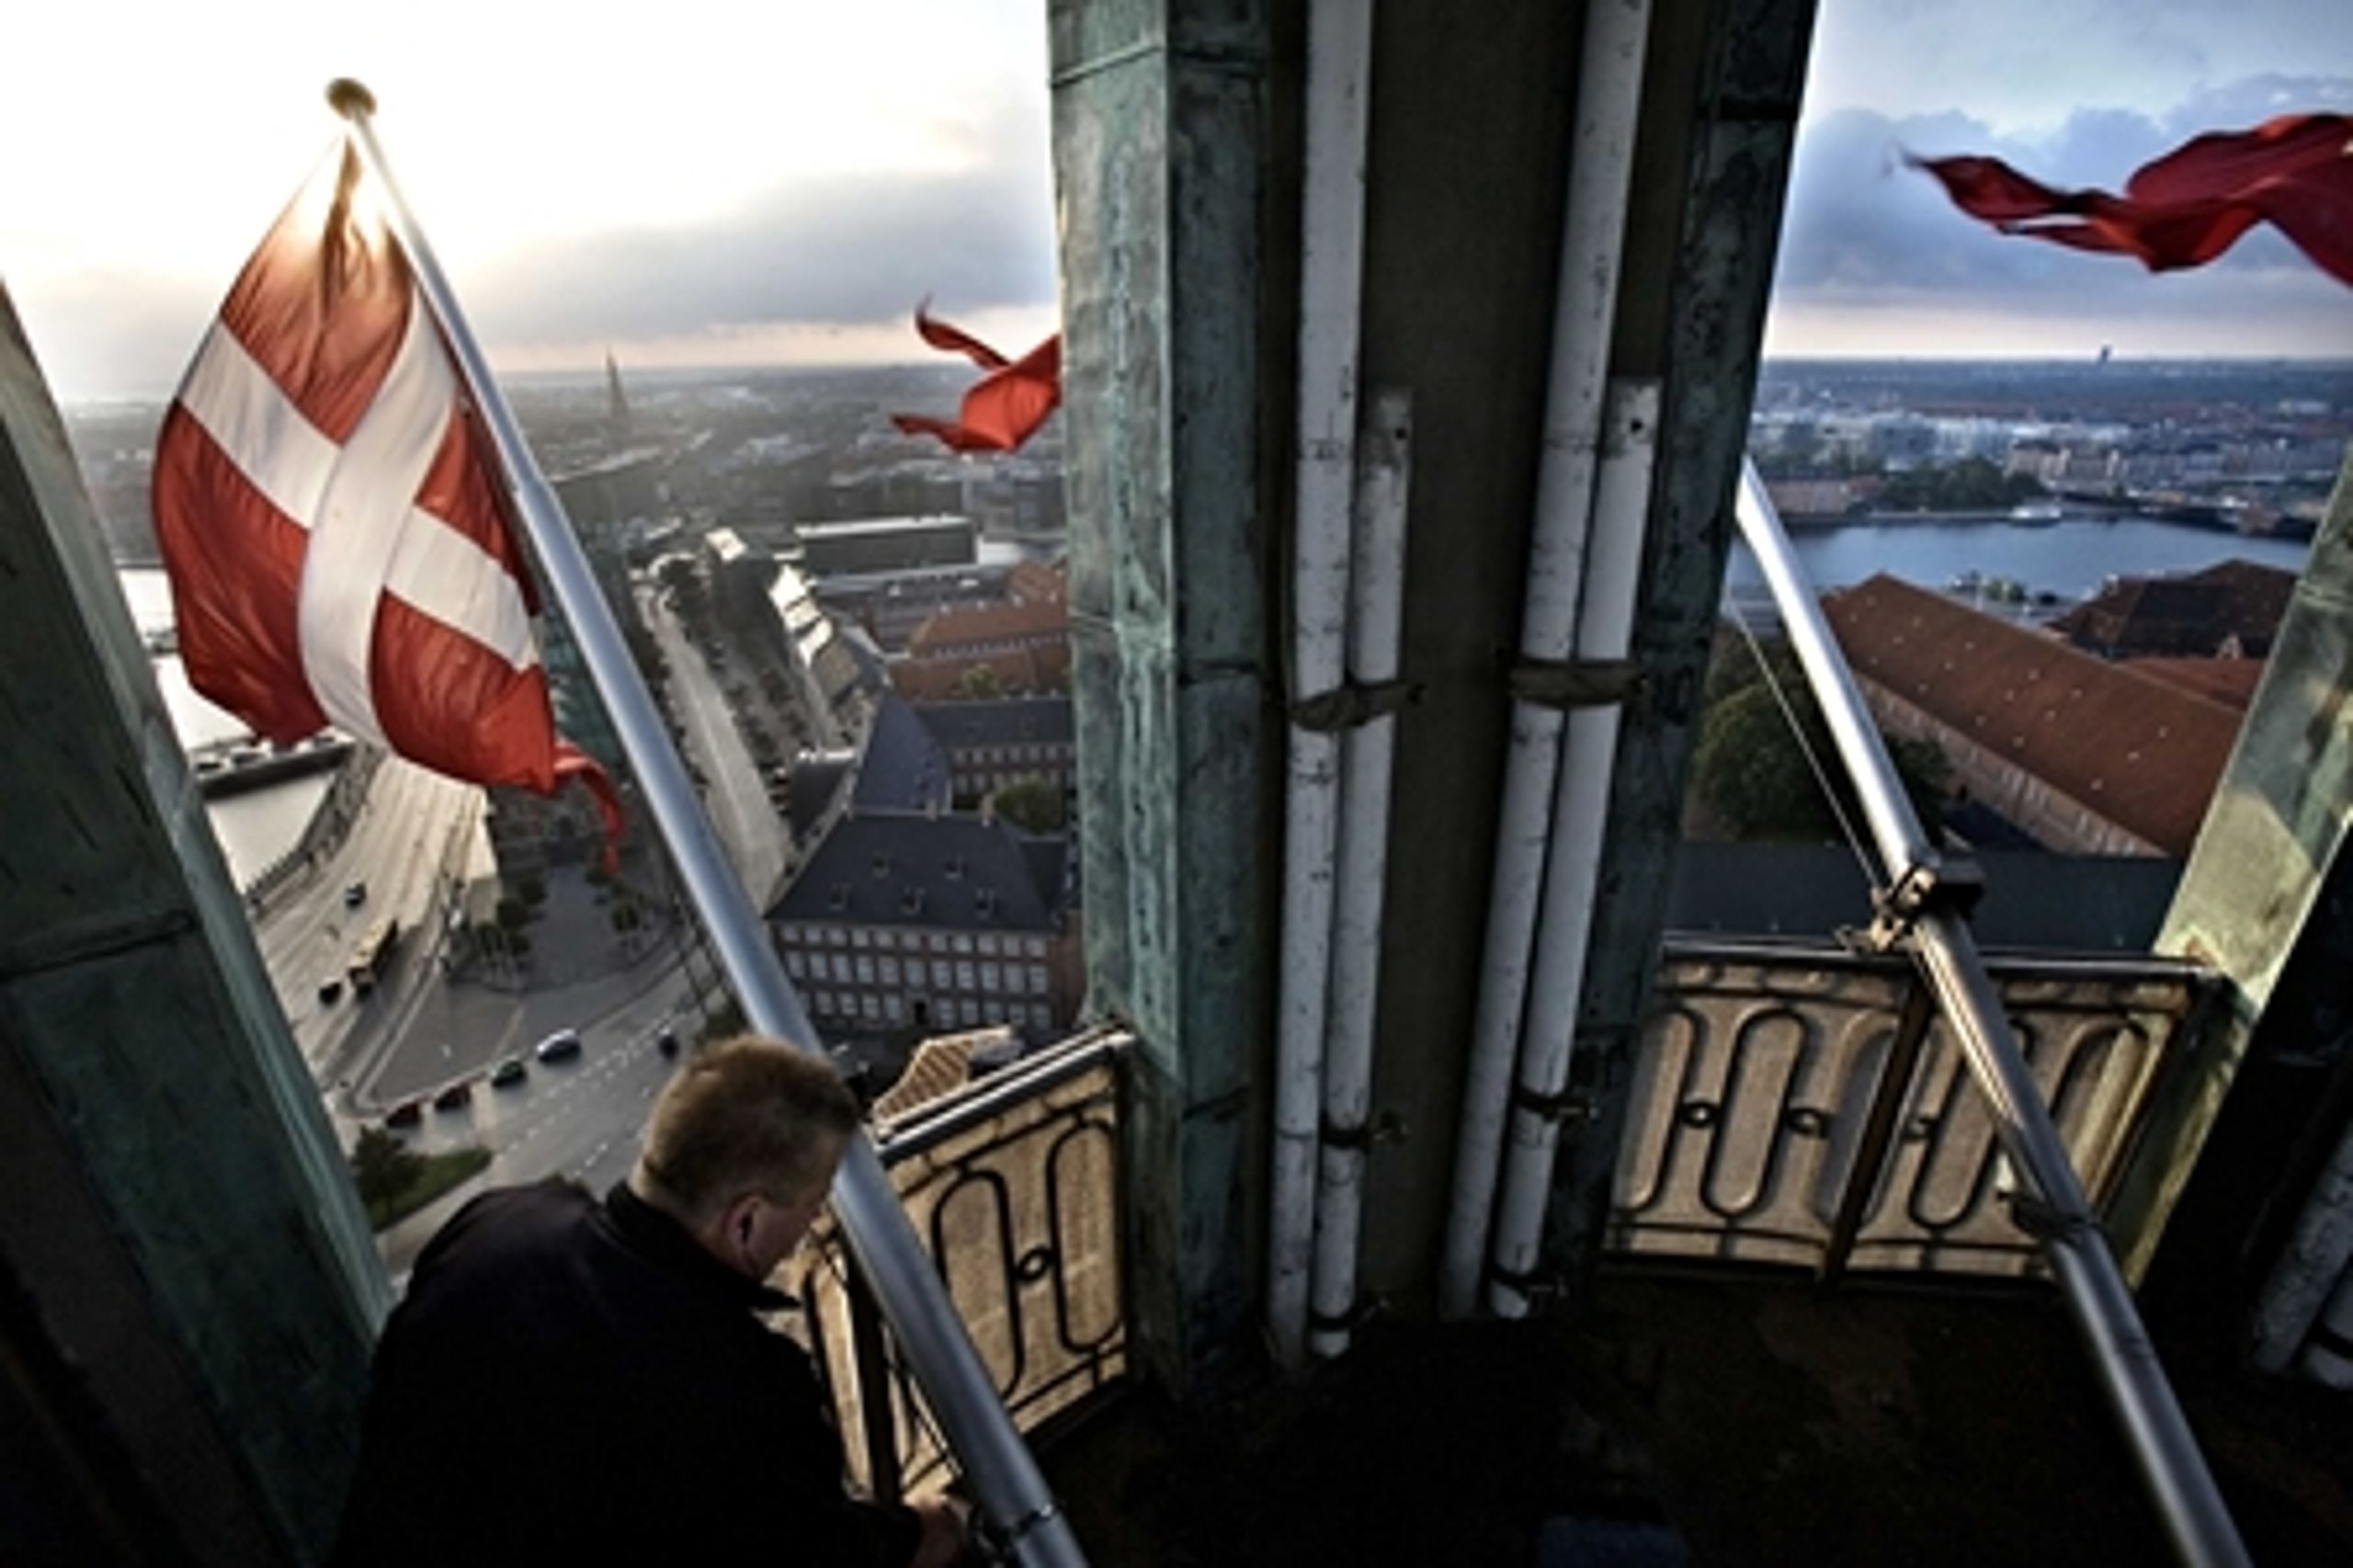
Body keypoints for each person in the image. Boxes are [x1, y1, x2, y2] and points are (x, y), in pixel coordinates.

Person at [333, 1036, 969, 1567]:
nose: (813, 1223)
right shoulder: (748, 1383)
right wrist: (919, 1531)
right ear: (744, 1221)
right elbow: (812, 1551)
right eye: (812, 1202)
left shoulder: (495, 1225)